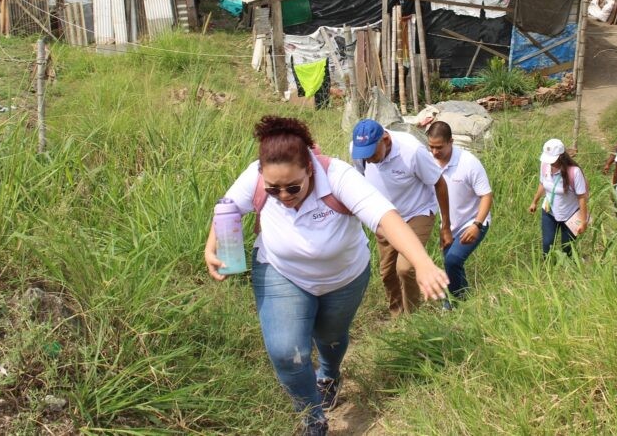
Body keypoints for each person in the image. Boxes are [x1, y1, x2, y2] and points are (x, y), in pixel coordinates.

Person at [205, 116, 449, 436]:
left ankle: (329, 374)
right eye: (273, 189)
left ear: (309, 167)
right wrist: (212, 243)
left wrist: (423, 263)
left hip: (344, 277)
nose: (284, 195)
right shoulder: (255, 176)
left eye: (293, 187)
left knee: (331, 338)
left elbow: (385, 217)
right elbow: (228, 207)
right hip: (281, 271)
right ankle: (313, 419)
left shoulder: (338, 176)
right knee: (286, 352)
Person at [350, 119, 451, 316]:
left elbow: (439, 183)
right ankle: (398, 316)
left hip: (417, 212)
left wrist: (446, 225)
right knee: (387, 273)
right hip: (386, 215)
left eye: (372, 154)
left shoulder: (412, 151)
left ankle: (413, 319)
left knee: (404, 269)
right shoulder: (359, 150)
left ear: (385, 139)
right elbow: (359, 179)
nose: (368, 160)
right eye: (364, 155)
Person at [425, 121, 493, 300]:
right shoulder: (428, 161)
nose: (434, 152)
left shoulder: (469, 163)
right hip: (448, 224)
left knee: (453, 260)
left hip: (473, 221)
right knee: (450, 264)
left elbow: (486, 195)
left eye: (439, 147)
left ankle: (455, 302)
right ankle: (462, 299)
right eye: (431, 147)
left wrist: (477, 225)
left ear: (451, 141)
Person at [528, 138, 589, 256]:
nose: (550, 163)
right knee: (547, 244)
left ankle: (566, 270)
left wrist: (583, 221)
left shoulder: (574, 172)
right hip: (549, 211)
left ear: (561, 156)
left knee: (567, 248)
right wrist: (534, 202)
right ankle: (546, 269)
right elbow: (542, 184)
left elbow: (582, 197)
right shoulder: (545, 165)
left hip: (570, 214)